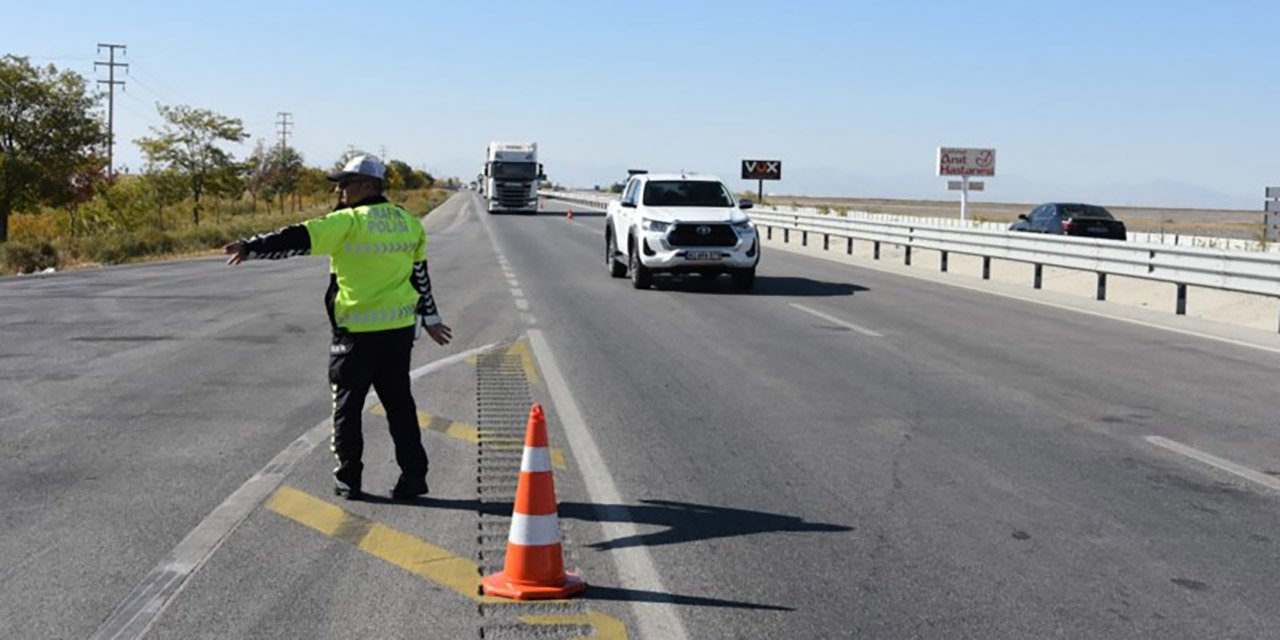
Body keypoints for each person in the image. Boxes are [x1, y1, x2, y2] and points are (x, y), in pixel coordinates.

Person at [223, 154, 452, 501]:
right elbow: (420, 278)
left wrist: (251, 247)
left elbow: (298, 238)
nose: (340, 190)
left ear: (367, 185)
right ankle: (414, 476)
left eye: (345, 183)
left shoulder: (348, 222)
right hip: (399, 333)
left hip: (356, 335)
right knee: (400, 406)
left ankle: (349, 478)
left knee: (346, 407)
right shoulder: (409, 222)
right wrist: (430, 318)